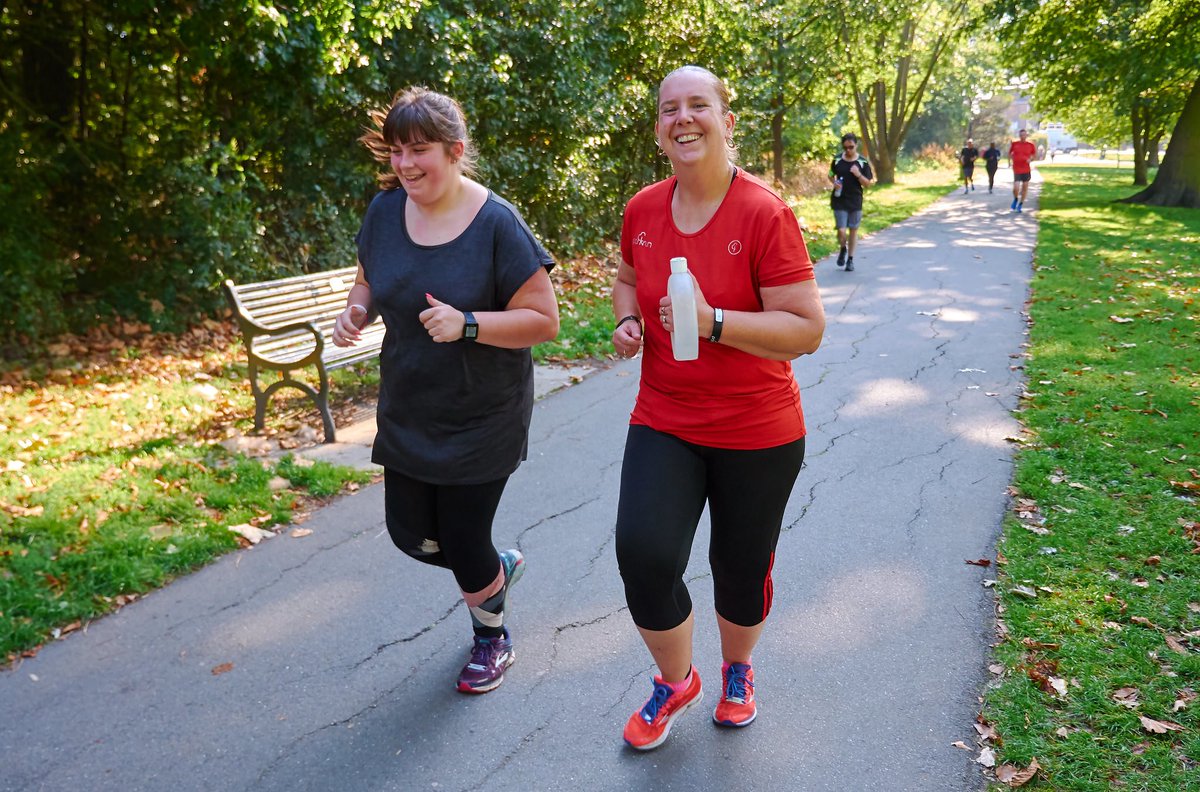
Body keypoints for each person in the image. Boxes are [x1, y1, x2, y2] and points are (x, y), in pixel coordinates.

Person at [610, 65, 826, 751]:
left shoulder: (764, 213)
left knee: (739, 568)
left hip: (757, 429)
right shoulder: (643, 209)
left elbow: (806, 329)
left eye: (698, 105)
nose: (683, 118)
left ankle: (738, 668)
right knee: (643, 553)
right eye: (669, 109)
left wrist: (714, 323)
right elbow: (626, 278)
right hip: (665, 417)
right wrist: (627, 319)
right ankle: (676, 681)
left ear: (727, 122)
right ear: (658, 130)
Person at [332, 87, 559, 694]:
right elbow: (369, 279)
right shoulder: (385, 211)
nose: (404, 164)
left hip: (483, 412)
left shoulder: (497, 224)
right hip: (410, 404)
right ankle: (492, 571)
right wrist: (356, 310)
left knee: (462, 536)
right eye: (396, 150)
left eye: (419, 150)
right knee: (411, 535)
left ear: (455, 151)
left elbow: (544, 321)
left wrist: (469, 324)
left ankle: (492, 638)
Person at [828, 132, 874, 272]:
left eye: (851, 147)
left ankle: (850, 259)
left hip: (855, 200)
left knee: (853, 230)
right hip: (839, 199)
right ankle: (843, 248)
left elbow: (868, 183)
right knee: (841, 230)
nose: (848, 150)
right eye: (845, 148)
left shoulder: (862, 162)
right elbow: (830, 175)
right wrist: (834, 182)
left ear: (856, 145)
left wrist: (858, 174)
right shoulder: (837, 159)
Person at [1008, 129, 1037, 213]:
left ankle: (1020, 204)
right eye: (1021, 135)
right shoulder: (1015, 144)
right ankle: (1016, 198)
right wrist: (1010, 161)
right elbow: (1009, 153)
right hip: (1016, 169)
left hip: (1026, 169)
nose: (1022, 136)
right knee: (1016, 188)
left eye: (1024, 135)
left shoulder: (1030, 145)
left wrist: (1030, 159)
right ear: (1019, 136)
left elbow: (1034, 155)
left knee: (1025, 187)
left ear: (1026, 135)